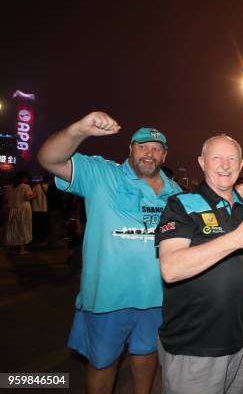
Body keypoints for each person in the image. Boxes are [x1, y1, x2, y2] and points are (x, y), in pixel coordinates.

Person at [37, 112, 182, 394]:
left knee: (147, 357)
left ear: (164, 155)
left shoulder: (175, 192)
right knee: (103, 364)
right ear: (130, 149)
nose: (149, 153)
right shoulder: (101, 174)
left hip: (157, 298)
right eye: (142, 146)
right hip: (107, 299)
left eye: (156, 148)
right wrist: (79, 130)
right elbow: (48, 159)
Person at [155, 134, 243, 394]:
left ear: (241, 164)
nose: (225, 165)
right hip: (195, 346)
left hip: (241, 342)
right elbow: (171, 269)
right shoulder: (181, 205)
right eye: (216, 158)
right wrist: (234, 239)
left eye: (232, 159)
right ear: (202, 162)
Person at [3, 171, 35, 254]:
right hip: (23, 210)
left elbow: (6, 199)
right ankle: (22, 249)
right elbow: (27, 198)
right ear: (23, 178)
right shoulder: (25, 186)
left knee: (13, 228)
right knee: (23, 227)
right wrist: (35, 195)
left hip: (13, 210)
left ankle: (12, 247)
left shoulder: (9, 187)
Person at [31, 176, 49, 245]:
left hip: (36, 209)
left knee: (36, 225)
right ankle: (43, 239)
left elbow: (32, 196)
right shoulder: (48, 187)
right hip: (45, 209)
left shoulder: (37, 187)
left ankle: (36, 238)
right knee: (44, 225)